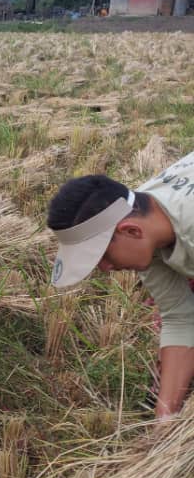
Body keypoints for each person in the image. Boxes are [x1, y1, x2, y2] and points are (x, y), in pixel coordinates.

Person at [48, 161, 194, 419]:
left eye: (102, 256)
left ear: (130, 231)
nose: (104, 268)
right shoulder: (143, 217)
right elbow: (180, 316)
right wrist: (165, 421)